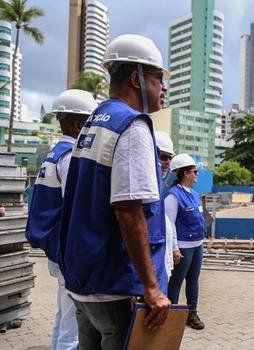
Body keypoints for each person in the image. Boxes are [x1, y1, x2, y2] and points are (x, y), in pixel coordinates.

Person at [58, 34, 171, 349]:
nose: (163, 88)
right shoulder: (132, 126)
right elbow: (128, 209)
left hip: (84, 280)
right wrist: (151, 287)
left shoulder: (95, 121)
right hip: (116, 285)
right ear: (136, 78)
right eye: (158, 79)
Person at [25, 89, 98, 350]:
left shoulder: (54, 153)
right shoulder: (69, 157)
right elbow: (76, 206)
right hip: (65, 249)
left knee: (62, 314)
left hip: (55, 246)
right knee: (73, 325)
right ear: (79, 125)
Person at [165, 154, 206, 330]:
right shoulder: (173, 196)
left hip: (197, 245)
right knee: (176, 282)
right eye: (194, 171)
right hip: (183, 247)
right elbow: (169, 224)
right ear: (185, 173)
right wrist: (174, 248)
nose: (197, 174)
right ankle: (170, 316)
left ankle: (192, 313)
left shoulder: (195, 195)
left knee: (193, 280)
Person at [155, 131, 182, 278]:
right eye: (163, 157)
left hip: (162, 258)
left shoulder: (159, 186)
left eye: (170, 158)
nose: (167, 162)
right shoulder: (172, 194)